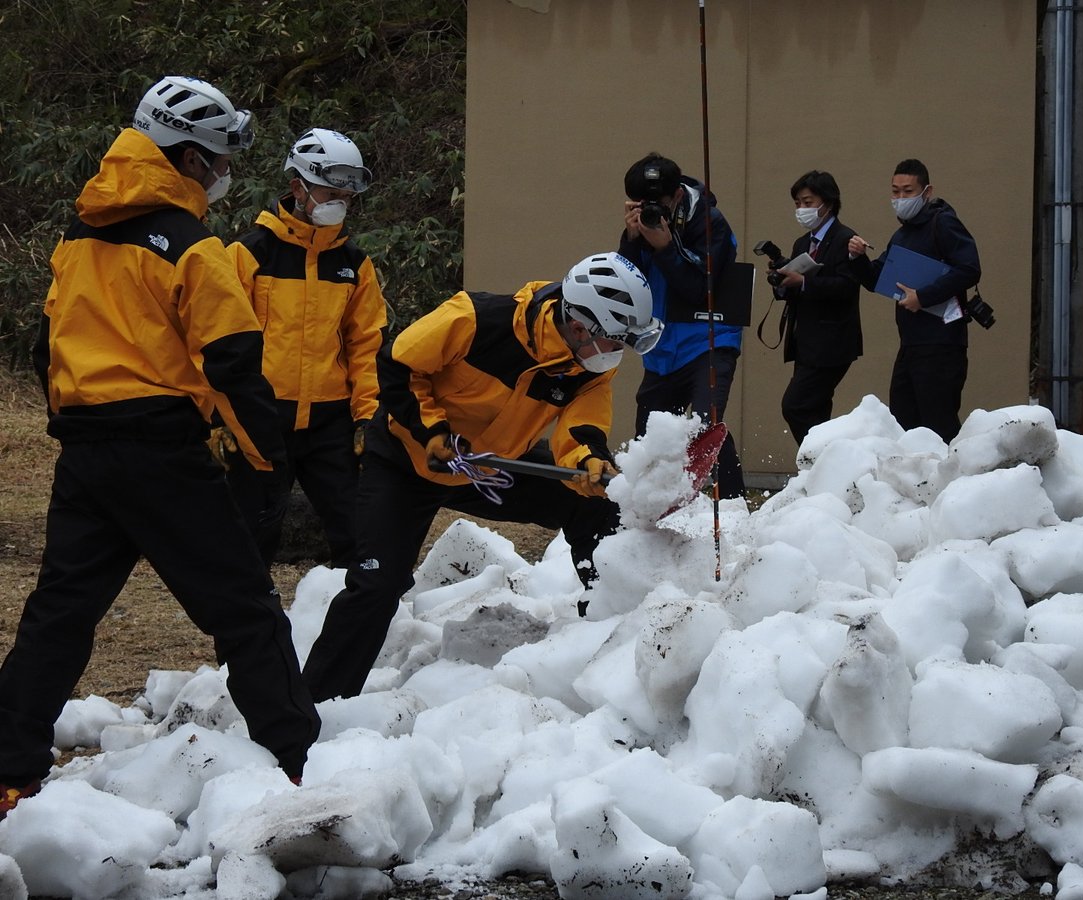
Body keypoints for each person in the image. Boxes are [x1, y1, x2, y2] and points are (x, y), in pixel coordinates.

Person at [0, 75, 321, 818]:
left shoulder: (80, 236)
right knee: (244, 608)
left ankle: (10, 772)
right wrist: (268, 464)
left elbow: (46, 346)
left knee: (59, 614)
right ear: (186, 158)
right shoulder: (191, 245)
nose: (222, 173)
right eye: (216, 159)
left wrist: (72, 421)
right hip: (163, 450)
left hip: (86, 452)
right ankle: (300, 762)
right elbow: (235, 363)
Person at [301, 251, 662, 702]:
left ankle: (609, 632)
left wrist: (588, 460)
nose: (615, 355)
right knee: (377, 584)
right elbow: (398, 365)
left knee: (593, 503)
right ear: (578, 324)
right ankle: (314, 704)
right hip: (408, 462)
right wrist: (430, 431)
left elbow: (582, 425)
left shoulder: (583, 366)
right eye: (612, 341)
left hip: (487, 466)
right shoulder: (475, 319)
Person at [222, 127, 388, 568]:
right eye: (330, 191)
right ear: (298, 186)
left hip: (329, 422)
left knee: (360, 531)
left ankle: (365, 618)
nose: (340, 202)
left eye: (347, 195)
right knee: (252, 532)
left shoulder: (354, 264)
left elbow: (365, 343)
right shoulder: (248, 254)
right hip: (260, 416)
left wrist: (368, 415)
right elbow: (218, 342)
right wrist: (215, 416)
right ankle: (254, 624)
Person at [619, 152, 746, 498]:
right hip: (662, 349)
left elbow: (699, 289)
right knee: (651, 435)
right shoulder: (640, 226)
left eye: (657, 203)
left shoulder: (710, 221)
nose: (650, 212)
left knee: (706, 427)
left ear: (676, 195)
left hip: (709, 340)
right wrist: (631, 241)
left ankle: (733, 507)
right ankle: (653, 509)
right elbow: (627, 283)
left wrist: (664, 247)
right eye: (641, 204)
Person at [847, 158, 981, 443]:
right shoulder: (902, 235)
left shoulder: (942, 222)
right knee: (903, 419)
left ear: (927, 191)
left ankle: (952, 484)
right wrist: (857, 259)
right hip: (911, 344)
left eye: (908, 191)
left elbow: (969, 268)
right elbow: (875, 280)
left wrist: (923, 296)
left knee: (938, 424)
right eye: (895, 191)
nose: (900, 198)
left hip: (942, 342)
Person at [772, 170, 863, 445]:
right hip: (805, 341)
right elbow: (798, 290)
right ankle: (820, 471)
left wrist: (803, 283)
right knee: (816, 410)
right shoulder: (803, 242)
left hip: (832, 342)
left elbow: (846, 286)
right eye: (798, 203)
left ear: (828, 202)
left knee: (795, 405)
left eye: (808, 202)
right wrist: (783, 282)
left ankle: (823, 458)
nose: (802, 209)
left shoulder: (845, 239)